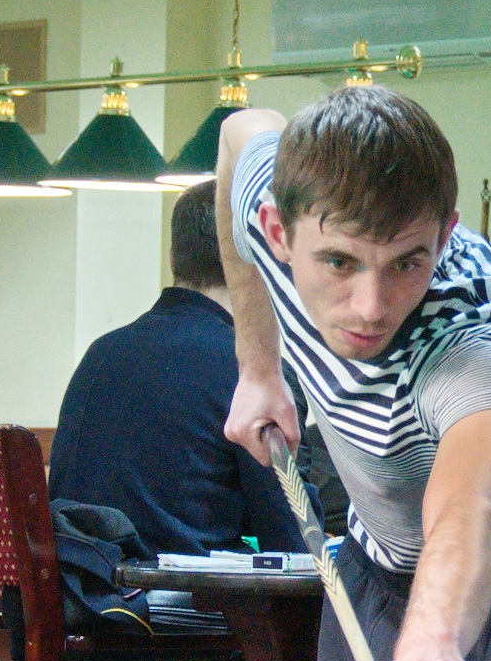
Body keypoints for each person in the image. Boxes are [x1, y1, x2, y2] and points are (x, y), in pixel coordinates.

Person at [215, 86, 491, 661]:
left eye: (406, 262)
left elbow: (469, 509)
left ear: (445, 234)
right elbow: (238, 132)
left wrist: (430, 639)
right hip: (374, 565)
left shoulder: (489, 335)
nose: (371, 306)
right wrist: (258, 366)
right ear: (278, 232)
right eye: (339, 262)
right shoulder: (277, 209)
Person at [48, 179, 302, 559]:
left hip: (79, 590)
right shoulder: (256, 377)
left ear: (172, 259)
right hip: (183, 593)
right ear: (266, 264)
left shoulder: (99, 354)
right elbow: (291, 540)